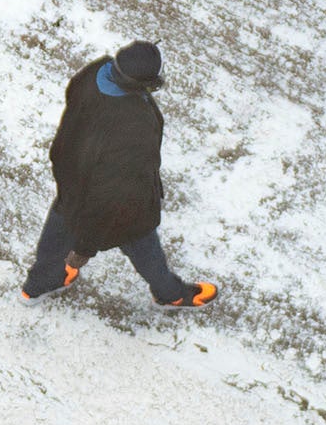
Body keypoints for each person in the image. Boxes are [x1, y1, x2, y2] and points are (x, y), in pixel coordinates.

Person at [21, 39, 219, 307]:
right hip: (120, 202)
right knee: (142, 244)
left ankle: (39, 284)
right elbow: (112, 195)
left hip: (71, 177)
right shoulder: (134, 123)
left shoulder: (93, 72)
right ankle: (170, 294)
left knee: (60, 226)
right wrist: (85, 247)